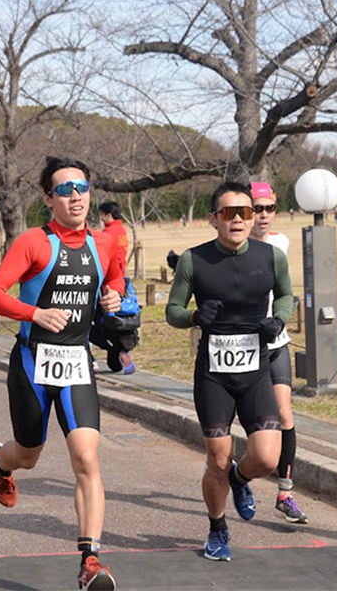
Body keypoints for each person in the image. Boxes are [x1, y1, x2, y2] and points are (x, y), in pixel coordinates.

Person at [0, 156, 123, 591]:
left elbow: (115, 280)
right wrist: (35, 312)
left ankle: (91, 560)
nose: (75, 196)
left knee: (86, 457)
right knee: (28, 455)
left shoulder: (106, 243)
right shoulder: (32, 242)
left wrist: (114, 297)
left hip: (77, 360)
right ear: (48, 198)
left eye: (81, 187)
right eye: (64, 189)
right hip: (32, 362)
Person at [165, 181, 293, 562]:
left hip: (255, 370)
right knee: (217, 460)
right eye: (228, 213)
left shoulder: (271, 257)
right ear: (213, 219)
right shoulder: (194, 259)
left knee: (268, 459)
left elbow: (286, 294)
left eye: (245, 212)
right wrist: (192, 317)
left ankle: (241, 479)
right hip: (214, 375)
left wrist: (279, 320)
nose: (238, 219)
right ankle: (217, 527)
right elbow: (172, 310)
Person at [248, 182, 307, 524]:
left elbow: (284, 292)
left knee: (285, 415)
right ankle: (238, 475)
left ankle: (285, 493)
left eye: (269, 208)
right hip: (244, 349)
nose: (264, 215)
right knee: (253, 425)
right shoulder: (235, 246)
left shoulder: (281, 244)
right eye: (257, 208)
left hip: (277, 343)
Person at [93, 201, 135, 374]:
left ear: (108, 215)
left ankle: (90, 358)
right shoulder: (122, 231)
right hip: (122, 281)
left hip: (107, 282)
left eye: (103, 215)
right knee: (120, 319)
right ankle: (123, 350)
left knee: (96, 320)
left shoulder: (107, 234)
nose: (102, 218)